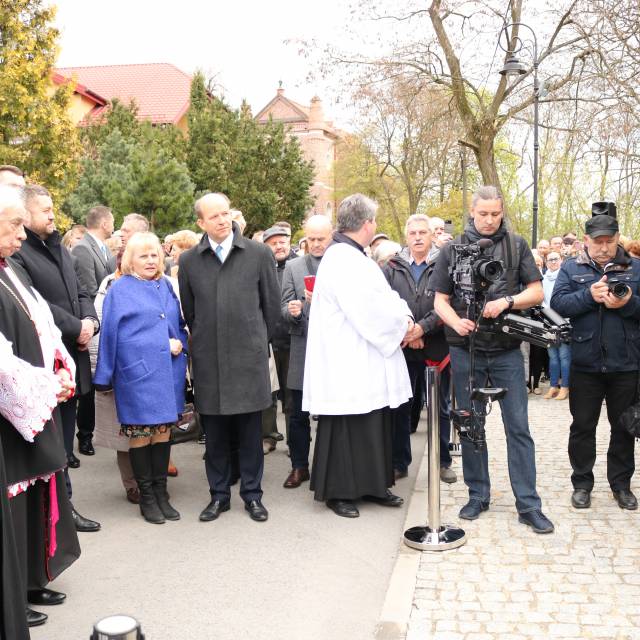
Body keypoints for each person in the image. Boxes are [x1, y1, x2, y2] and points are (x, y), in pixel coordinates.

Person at [431, 185, 554, 533]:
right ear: (472, 211)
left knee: (518, 428)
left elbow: (537, 291)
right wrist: (455, 321)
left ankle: (528, 504)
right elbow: (440, 299)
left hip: (507, 352)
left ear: (501, 211)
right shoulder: (452, 250)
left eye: (495, 214)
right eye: (483, 213)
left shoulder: (516, 246)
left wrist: (508, 302)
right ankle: (477, 494)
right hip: (465, 350)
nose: (488, 220)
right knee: (471, 426)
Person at [0, 184, 81, 628]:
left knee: (36, 494)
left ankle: (32, 578)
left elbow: (43, 323)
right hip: (13, 409)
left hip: (36, 398)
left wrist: (60, 367)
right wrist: (48, 386)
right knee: (14, 503)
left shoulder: (11, 267)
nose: (20, 236)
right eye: (13, 225)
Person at [303, 193, 412, 518]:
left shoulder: (353, 257)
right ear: (367, 224)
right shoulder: (343, 260)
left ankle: (373, 485)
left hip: (364, 358)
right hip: (347, 360)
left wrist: (402, 315)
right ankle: (340, 492)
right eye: (374, 221)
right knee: (347, 426)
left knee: (372, 421)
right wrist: (402, 324)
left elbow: (385, 297)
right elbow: (370, 310)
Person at [178, 193, 280, 523]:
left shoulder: (259, 254)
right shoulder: (190, 261)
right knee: (217, 436)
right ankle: (218, 495)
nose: (223, 220)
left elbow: (272, 309)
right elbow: (190, 313)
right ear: (201, 223)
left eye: (226, 213)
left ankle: (252, 495)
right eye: (214, 216)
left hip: (248, 361)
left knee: (251, 435)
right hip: (210, 362)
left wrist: (254, 343)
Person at [12, 184, 101, 532]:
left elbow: (80, 290)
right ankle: (55, 515)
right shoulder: (20, 255)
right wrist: (75, 326)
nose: (52, 215)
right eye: (44, 210)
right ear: (26, 215)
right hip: (43, 363)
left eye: (52, 208)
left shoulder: (60, 248)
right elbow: (36, 303)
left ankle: (65, 509)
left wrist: (90, 322)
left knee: (64, 441)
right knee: (47, 447)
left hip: (72, 359)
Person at [94, 232, 188, 524]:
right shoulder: (119, 289)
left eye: (154, 255)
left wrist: (181, 342)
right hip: (137, 377)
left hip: (168, 375)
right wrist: (104, 376)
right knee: (140, 437)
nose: (150, 260)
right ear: (130, 260)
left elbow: (178, 324)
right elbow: (113, 336)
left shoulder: (165, 286)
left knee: (163, 434)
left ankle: (161, 492)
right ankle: (146, 496)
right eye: (143, 255)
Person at [551, 213, 640, 511]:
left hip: (625, 362)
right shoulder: (571, 267)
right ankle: (582, 484)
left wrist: (628, 304)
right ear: (586, 241)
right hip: (585, 362)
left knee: (623, 428)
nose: (604, 248)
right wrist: (589, 296)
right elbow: (559, 304)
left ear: (618, 239)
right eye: (598, 242)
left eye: (610, 242)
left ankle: (621, 485)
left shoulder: (635, 267)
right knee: (582, 427)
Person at [383, 214, 455, 483]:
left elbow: (450, 302)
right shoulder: (391, 266)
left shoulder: (444, 264)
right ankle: (398, 462)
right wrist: (407, 331)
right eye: (412, 233)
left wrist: (422, 329)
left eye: (422, 232)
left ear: (431, 235)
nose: (417, 237)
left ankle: (443, 461)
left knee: (440, 407)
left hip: (436, 348)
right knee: (401, 407)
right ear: (406, 236)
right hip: (401, 346)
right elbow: (384, 303)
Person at [91, 213, 150, 504]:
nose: (120, 233)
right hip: (122, 366)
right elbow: (104, 325)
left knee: (152, 427)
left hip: (150, 369)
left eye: (126, 230)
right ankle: (133, 484)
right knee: (123, 431)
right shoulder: (112, 282)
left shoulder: (162, 282)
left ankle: (152, 478)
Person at [280, 214, 333, 488]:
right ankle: (299, 466)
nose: (315, 244)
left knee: (331, 413)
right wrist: (296, 308)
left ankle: (329, 467)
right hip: (302, 346)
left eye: (320, 239)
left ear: (331, 236)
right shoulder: (293, 266)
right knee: (297, 412)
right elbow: (283, 307)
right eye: (310, 239)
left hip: (333, 349)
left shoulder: (340, 265)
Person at [72, 205, 116, 457]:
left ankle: (92, 432)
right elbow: (88, 290)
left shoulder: (102, 248)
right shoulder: (82, 248)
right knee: (88, 383)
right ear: (104, 223)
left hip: (105, 321)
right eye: (112, 221)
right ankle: (85, 436)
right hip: (94, 323)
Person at [262, 225, 297, 452]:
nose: (279, 246)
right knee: (267, 394)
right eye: (273, 242)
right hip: (267, 341)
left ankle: (295, 441)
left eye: (282, 241)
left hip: (293, 340)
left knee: (292, 396)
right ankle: (268, 436)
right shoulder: (261, 267)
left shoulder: (298, 266)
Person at [542, 251, 570, 400]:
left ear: (561, 260)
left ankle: (565, 387)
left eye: (556, 259)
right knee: (552, 356)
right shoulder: (544, 279)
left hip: (564, 320)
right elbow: (541, 298)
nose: (553, 262)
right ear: (546, 262)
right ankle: (553, 386)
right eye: (550, 260)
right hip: (548, 320)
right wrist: (546, 312)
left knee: (564, 355)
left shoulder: (565, 277)